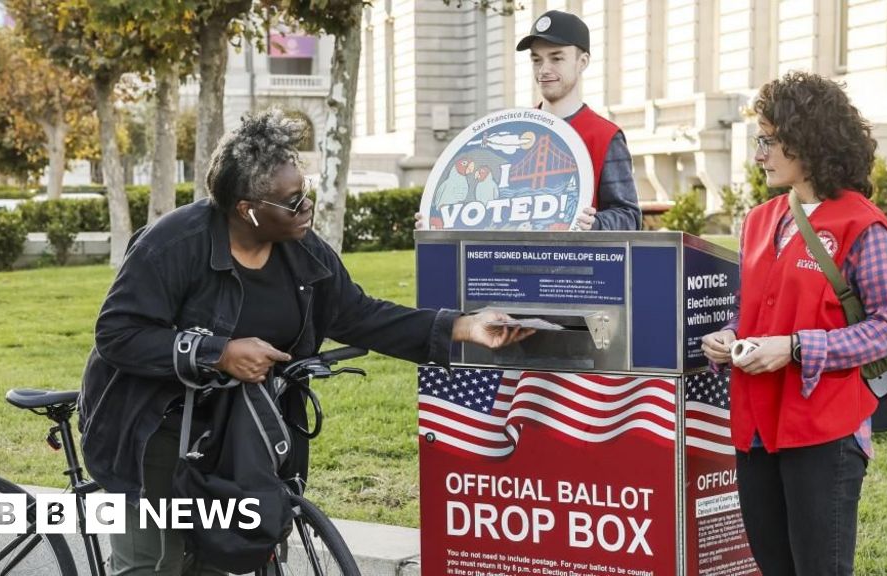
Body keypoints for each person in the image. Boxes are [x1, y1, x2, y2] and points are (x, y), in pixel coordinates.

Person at [79, 109, 532, 575]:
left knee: (222, 558)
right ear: (246, 209)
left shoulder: (303, 250)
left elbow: (357, 314)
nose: (306, 207)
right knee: (153, 565)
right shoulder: (174, 244)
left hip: (234, 433)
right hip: (150, 431)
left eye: (306, 192)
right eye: (292, 201)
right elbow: (119, 334)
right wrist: (221, 353)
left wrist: (462, 326)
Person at [701, 71, 887, 576]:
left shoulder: (862, 224)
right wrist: (730, 333)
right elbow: (754, 304)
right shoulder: (758, 220)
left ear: (808, 138)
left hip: (824, 433)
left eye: (768, 139)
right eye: (759, 139)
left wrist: (795, 348)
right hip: (755, 429)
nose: (759, 153)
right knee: (773, 567)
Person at [417, 10, 641, 231]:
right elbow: (490, 209)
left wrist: (597, 224)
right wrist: (436, 220)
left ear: (582, 62)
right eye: (537, 60)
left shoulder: (605, 136)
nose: (544, 69)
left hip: (573, 265)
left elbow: (629, 217)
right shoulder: (517, 132)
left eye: (556, 58)